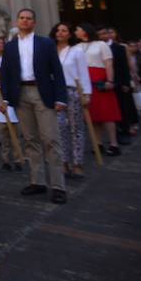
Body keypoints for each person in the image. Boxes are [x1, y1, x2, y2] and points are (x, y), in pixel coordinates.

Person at [0, 9, 68, 204]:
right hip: (20, 94)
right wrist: (4, 98)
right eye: (22, 18)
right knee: (30, 139)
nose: (25, 21)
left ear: (34, 23)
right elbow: (5, 74)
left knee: (50, 139)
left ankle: (58, 186)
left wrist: (61, 98)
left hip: (42, 93)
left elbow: (57, 71)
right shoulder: (10, 46)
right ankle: (37, 181)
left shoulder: (45, 43)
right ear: (17, 21)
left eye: (28, 19)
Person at [51, 22, 92, 179]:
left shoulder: (76, 51)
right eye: (58, 30)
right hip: (56, 91)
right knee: (60, 127)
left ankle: (78, 163)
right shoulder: (51, 50)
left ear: (69, 34)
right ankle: (64, 161)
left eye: (64, 30)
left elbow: (83, 72)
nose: (60, 33)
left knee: (76, 128)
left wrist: (86, 93)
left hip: (73, 90)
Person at [75, 23, 122, 155]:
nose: (75, 32)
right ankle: (98, 143)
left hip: (100, 79)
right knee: (93, 115)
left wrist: (110, 80)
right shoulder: (77, 47)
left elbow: (108, 63)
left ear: (85, 31)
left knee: (107, 114)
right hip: (85, 81)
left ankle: (113, 144)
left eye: (77, 30)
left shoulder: (101, 45)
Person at [0, 38, 23, 172]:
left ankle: (18, 158)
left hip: (13, 118)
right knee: (5, 140)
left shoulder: (13, 89)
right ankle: (6, 160)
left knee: (15, 139)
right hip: (2, 118)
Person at [99, 26, 137, 140]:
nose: (103, 36)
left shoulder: (119, 47)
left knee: (122, 107)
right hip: (103, 82)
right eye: (100, 34)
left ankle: (125, 131)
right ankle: (115, 133)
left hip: (119, 81)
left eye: (105, 33)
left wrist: (126, 83)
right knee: (110, 110)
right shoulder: (97, 48)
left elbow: (124, 66)